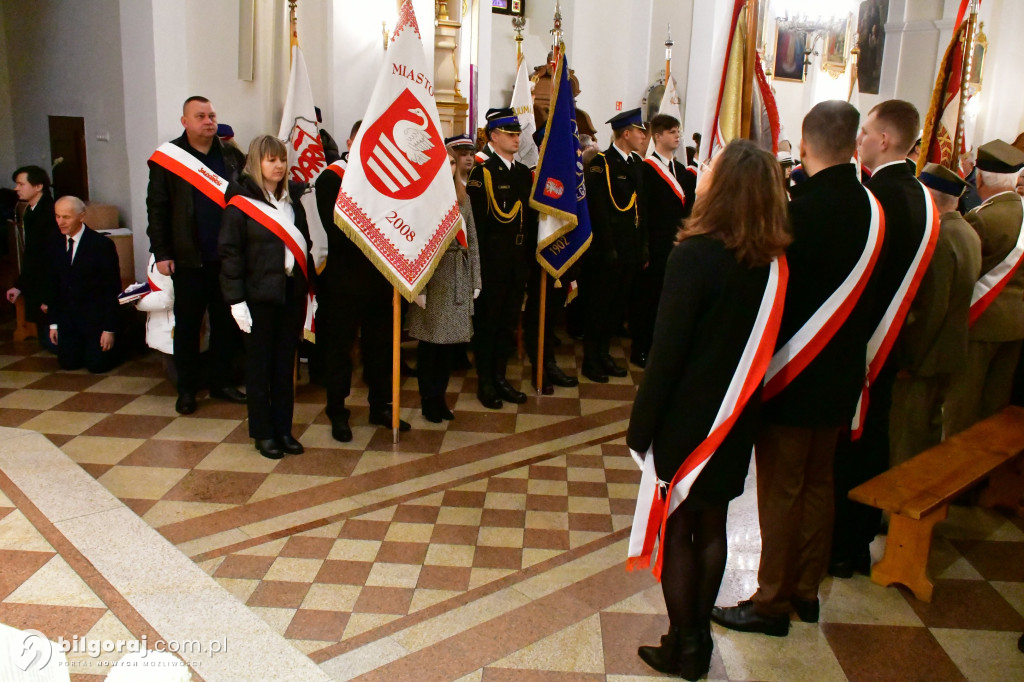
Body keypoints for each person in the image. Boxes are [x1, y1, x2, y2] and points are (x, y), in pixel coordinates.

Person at [712, 101, 882, 637]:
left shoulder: (796, 213)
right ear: (854, 145)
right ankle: (806, 591)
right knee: (818, 484)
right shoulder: (872, 207)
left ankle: (770, 602)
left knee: (782, 490)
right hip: (842, 375)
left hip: (793, 371)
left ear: (804, 144)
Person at [628, 139, 790, 679]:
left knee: (678, 529)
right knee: (713, 525)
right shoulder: (772, 262)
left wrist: (640, 428)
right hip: (735, 416)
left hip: (688, 418)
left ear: (721, 188)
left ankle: (687, 645)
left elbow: (666, 353)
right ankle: (694, 641)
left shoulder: (693, 254)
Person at [831, 99, 937, 578]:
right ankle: (859, 535)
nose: (860, 140)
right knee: (874, 439)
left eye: (866, 132)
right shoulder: (919, 194)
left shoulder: (878, 197)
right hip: (893, 340)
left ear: (886, 139)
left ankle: (842, 545)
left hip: (866, 342)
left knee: (853, 445)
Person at [147, 95, 247, 415]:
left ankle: (221, 383)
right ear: (185, 121)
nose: (208, 121)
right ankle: (187, 389)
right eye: (201, 116)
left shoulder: (231, 155)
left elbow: (247, 198)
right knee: (188, 326)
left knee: (225, 324)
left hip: (226, 257)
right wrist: (162, 251)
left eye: (212, 116)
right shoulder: (169, 158)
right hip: (188, 258)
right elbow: (157, 208)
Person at [314, 119, 410, 442]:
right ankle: (337, 410)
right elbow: (336, 230)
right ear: (350, 141)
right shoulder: (331, 178)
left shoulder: (386, 178)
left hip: (381, 279)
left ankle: (380, 405)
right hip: (344, 280)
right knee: (340, 348)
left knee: (381, 346)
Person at [219, 135, 313, 460]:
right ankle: (263, 433)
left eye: (282, 159)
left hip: (289, 293)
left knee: (284, 366)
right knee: (259, 368)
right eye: (271, 159)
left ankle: (284, 430)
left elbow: (305, 246)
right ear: (256, 163)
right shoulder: (241, 204)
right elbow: (230, 254)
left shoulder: (292, 201)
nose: (279, 165)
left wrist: (308, 291)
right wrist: (236, 301)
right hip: (257, 297)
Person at [890, 164, 981, 464]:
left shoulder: (940, 237)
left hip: (926, 358)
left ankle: (904, 494)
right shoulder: (967, 231)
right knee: (929, 432)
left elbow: (931, 307)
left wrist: (909, 359)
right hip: (949, 352)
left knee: (909, 440)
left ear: (929, 195)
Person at [944, 140, 1024, 435]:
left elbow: (962, 272)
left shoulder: (982, 218)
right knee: (995, 407)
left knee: (962, 407)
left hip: (981, 323)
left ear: (979, 179)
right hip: (1016, 324)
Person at [466, 107, 538, 409]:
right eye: (510, 134)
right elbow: (477, 228)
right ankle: (485, 382)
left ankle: (500, 377)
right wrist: (479, 269)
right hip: (492, 262)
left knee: (508, 324)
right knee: (489, 324)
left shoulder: (522, 173)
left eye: (518, 134)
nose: (516, 139)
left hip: (517, 261)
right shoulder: (482, 173)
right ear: (493, 137)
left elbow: (529, 221)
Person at [408, 146, 481, 422]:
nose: (449, 167)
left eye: (452, 162)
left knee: (448, 345)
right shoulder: (421, 199)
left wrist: (475, 278)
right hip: (433, 277)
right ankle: (428, 399)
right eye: (444, 162)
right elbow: (415, 246)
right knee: (430, 344)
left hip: (457, 275)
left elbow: (472, 240)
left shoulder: (463, 198)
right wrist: (419, 288)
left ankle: (440, 397)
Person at [581, 108, 648, 382]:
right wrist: (608, 248)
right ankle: (591, 360)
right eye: (640, 132)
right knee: (599, 306)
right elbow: (598, 210)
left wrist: (643, 247)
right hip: (607, 249)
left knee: (616, 308)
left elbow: (641, 209)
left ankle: (604, 354)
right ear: (626, 133)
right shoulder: (602, 163)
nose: (644, 137)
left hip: (630, 249)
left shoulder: (636, 164)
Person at [631, 113, 696, 367]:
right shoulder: (647, 169)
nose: (677, 136)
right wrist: (644, 247)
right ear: (657, 136)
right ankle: (641, 348)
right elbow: (643, 211)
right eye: (671, 132)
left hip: (677, 245)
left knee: (669, 301)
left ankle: (661, 348)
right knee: (648, 299)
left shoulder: (681, 171)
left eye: (678, 131)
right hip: (655, 245)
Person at [44, 196, 122, 373]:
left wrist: (109, 329)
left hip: (95, 319)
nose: (60, 222)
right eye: (57, 216)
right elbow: (53, 285)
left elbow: (112, 288)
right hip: (68, 320)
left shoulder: (101, 245)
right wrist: (54, 324)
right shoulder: (53, 243)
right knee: (68, 364)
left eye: (66, 217)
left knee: (96, 366)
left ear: (81, 216)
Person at [6, 165, 59, 351]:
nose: (16, 188)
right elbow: (31, 255)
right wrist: (19, 285)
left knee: (53, 342)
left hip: (49, 282)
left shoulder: (49, 213)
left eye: (21, 184)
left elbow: (45, 257)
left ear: (38, 186)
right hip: (39, 280)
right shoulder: (31, 211)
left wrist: (48, 297)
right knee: (46, 340)